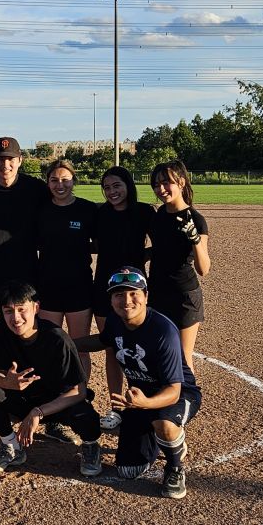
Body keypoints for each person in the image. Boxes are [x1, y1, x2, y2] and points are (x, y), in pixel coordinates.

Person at [76, 267, 202, 499]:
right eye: (119, 295)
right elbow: (103, 340)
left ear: (146, 296)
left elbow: (174, 391)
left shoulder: (163, 331)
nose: (126, 301)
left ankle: (174, 465)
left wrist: (146, 404)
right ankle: (159, 436)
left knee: (165, 424)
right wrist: (66, 343)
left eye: (134, 293)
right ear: (111, 299)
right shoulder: (115, 321)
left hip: (177, 395)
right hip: (139, 399)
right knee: (128, 470)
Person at [0, 282, 103, 477]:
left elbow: (79, 391)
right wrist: (7, 382)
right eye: (8, 311)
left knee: (84, 414)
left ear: (36, 308)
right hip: (22, 399)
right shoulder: (0, 328)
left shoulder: (57, 338)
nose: (15, 318)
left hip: (55, 403)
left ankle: (90, 446)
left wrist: (39, 411)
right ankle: (12, 447)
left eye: (22, 309)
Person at [93, 166, 154, 430]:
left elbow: (161, 243)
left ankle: (144, 404)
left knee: (140, 349)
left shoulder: (144, 212)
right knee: (112, 348)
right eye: (106, 188)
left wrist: (141, 258)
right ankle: (116, 407)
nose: (112, 192)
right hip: (104, 287)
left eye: (116, 185)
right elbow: (94, 245)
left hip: (135, 290)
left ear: (128, 185)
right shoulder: (100, 214)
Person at [0, 137, 49, 310]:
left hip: (27, 269)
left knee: (25, 319)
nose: (5, 165)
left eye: (10, 159)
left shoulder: (36, 188)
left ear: (20, 160)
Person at [35, 159, 97, 382]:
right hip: (48, 286)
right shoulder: (40, 211)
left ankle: (81, 393)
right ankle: (52, 394)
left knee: (79, 347)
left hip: (79, 286)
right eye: (54, 180)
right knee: (49, 345)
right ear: (47, 183)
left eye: (65, 180)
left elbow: (99, 243)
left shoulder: (87, 209)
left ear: (74, 181)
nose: (59, 185)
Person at [148, 160, 211, 374]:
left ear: (181, 182)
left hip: (184, 296)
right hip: (158, 293)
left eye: (166, 182)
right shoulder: (159, 216)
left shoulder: (196, 220)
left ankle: (188, 395)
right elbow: (162, 249)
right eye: (156, 184)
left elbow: (204, 268)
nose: (161, 189)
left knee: (183, 357)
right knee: (160, 351)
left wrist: (195, 240)